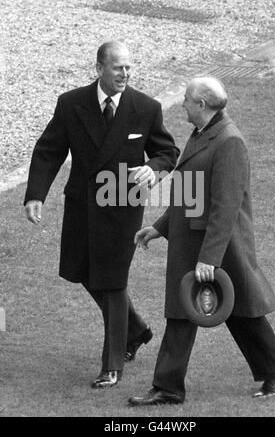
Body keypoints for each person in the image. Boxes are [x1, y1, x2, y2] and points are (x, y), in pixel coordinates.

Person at [129, 76, 275, 406]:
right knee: (184, 311)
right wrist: (159, 228)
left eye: (187, 101)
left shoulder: (228, 142)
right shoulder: (203, 133)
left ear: (202, 105)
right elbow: (190, 193)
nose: (182, 106)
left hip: (219, 245)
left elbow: (226, 207)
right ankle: (168, 386)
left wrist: (209, 257)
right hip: (192, 239)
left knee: (241, 310)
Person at [24, 41, 179, 389]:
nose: (125, 74)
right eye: (117, 68)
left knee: (111, 281)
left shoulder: (146, 107)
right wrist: (35, 194)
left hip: (121, 207)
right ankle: (136, 330)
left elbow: (167, 150)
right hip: (82, 205)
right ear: (99, 69)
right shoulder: (71, 103)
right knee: (82, 271)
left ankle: (112, 366)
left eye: (128, 68)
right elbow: (49, 150)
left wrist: (153, 169)